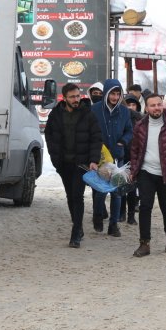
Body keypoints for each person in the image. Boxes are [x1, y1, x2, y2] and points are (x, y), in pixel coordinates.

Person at [129, 94, 166, 257]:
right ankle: (144, 244)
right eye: (152, 105)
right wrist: (134, 170)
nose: (156, 108)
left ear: (163, 106)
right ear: (146, 108)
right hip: (146, 172)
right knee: (145, 207)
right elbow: (134, 150)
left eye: (158, 104)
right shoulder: (140, 125)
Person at [44, 83, 102, 248]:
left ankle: (76, 232)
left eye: (77, 96)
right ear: (65, 98)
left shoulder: (87, 114)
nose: (76, 100)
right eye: (72, 97)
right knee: (70, 196)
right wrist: (55, 158)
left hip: (81, 163)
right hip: (63, 163)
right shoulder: (56, 114)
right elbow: (49, 135)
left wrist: (93, 160)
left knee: (77, 196)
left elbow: (96, 138)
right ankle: (79, 226)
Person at [91, 79, 133, 237]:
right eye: (112, 94)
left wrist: (123, 142)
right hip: (100, 157)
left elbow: (129, 130)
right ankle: (98, 215)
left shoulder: (124, 111)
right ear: (106, 93)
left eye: (117, 94)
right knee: (100, 190)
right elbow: (89, 130)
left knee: (116, 192)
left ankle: (114, 224)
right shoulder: (94, 109)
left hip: (117, 156)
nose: (115, 97)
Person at [120, 94, 144, 224]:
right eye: (128, 104)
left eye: (133, 104)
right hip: (122, 156)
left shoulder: (141, 120)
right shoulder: (121, 118)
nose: (130, 107)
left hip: (135, 158)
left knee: (132, 188)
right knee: (121, 186)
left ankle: (131, 215)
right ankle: (121, 213)